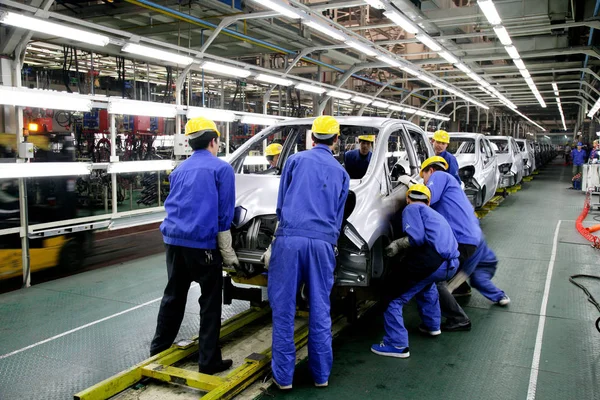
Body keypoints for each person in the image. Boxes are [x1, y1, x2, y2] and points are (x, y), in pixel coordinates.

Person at [263, 115, 349, 390]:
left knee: (284, 309)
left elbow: (281, 204)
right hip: (323, 244)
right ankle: (321, 376)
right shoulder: (342, 173)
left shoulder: (295, 161)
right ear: (336, 141)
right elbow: (338, 217)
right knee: (320, 309)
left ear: (312, 138)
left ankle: (284, 378)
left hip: (290, 241)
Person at [150, 117, 239, 375]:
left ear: (190, 143)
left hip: (174, 242)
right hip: (203, 246)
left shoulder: (178, 170)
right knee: (209, 301)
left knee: (173, 296)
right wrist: (228, 251)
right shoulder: (221, 169)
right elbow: (225, 214)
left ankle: (158, 352)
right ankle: (208, 361)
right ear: (214, 141)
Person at [419, 156, 509, 331]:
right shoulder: (452, 186)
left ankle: (458, 319)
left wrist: (411, 192)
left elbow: (425, 200)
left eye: (423, 177)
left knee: (434, 279)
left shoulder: (439, 176)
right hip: (471, 238)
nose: (423, 181)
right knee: (451, 271)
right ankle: (459, 291)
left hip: (461, 240)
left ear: (429, 170)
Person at [371, 184, 460, 359]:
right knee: (426, 286)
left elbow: (416, 238)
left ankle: (396, 344)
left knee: (392, 297)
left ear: (408, 199)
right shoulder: (435, 215)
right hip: (450, 265)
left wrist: (396, 245)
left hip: (431, 261)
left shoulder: (412, 208)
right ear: (428, 202)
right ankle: (433, 325)